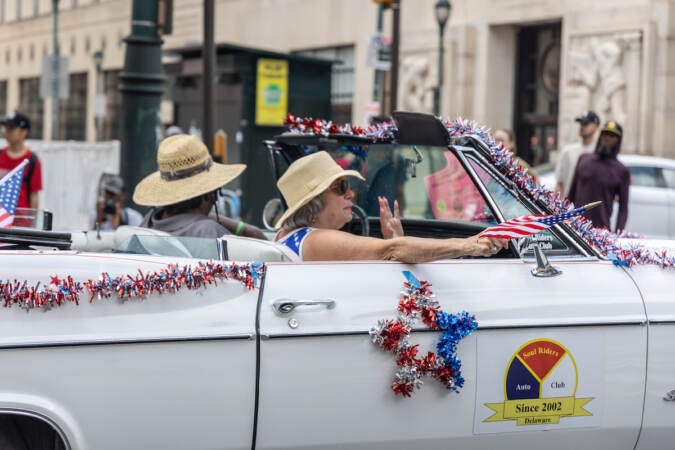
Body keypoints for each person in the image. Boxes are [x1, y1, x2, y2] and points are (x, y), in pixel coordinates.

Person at [273, 151, 508, 262]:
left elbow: (389, 251)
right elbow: (392, 251)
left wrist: (392, 242)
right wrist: (469, 244)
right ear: (314, 202)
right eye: (340, 186)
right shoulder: (315, 239)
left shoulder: (288, 236)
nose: (350, 193)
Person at [133, 134, 266, 239]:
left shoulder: (150, 220)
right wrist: (250, 231)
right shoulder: (208, 231)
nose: (215, 199)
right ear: (209, 194)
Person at [568, 121, 630, 232]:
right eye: (605, 134)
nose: (607, 138)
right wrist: (564, 220)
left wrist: (617, 234)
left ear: (618, 141)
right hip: (575, 228)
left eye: (612, 136)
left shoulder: (621, 171)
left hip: (600, 232)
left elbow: (623, 208)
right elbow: (570, 196)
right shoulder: (583, 160)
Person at [0, 112, 42, 221]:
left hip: (21, 222)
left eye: (12, 128)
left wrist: (33, 223)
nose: (7, 132)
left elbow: (34, 195)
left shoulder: (32, 161)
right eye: (6, 128)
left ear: (24, 132)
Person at [555, 110, 600, 198]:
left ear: (595, 127)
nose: (582, 127)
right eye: (581, 123)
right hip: (568, 207)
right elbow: (559, 183)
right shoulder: (567, 151)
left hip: (590, 206)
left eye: (586, 124)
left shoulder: (599, 153)